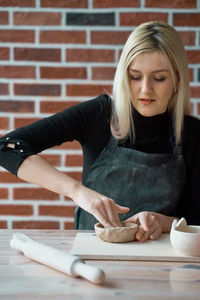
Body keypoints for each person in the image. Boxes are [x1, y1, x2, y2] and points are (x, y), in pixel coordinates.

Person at [0, 21, 200, 242]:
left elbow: (196, 219)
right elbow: (7, 147)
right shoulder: (98, 114)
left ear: (178, 79)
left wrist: (163, 222)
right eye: (135, 76)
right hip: (91, 256)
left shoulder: (193, 134)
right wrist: (76, 190)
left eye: (159, 78)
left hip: (159, 262)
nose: (145, 89)